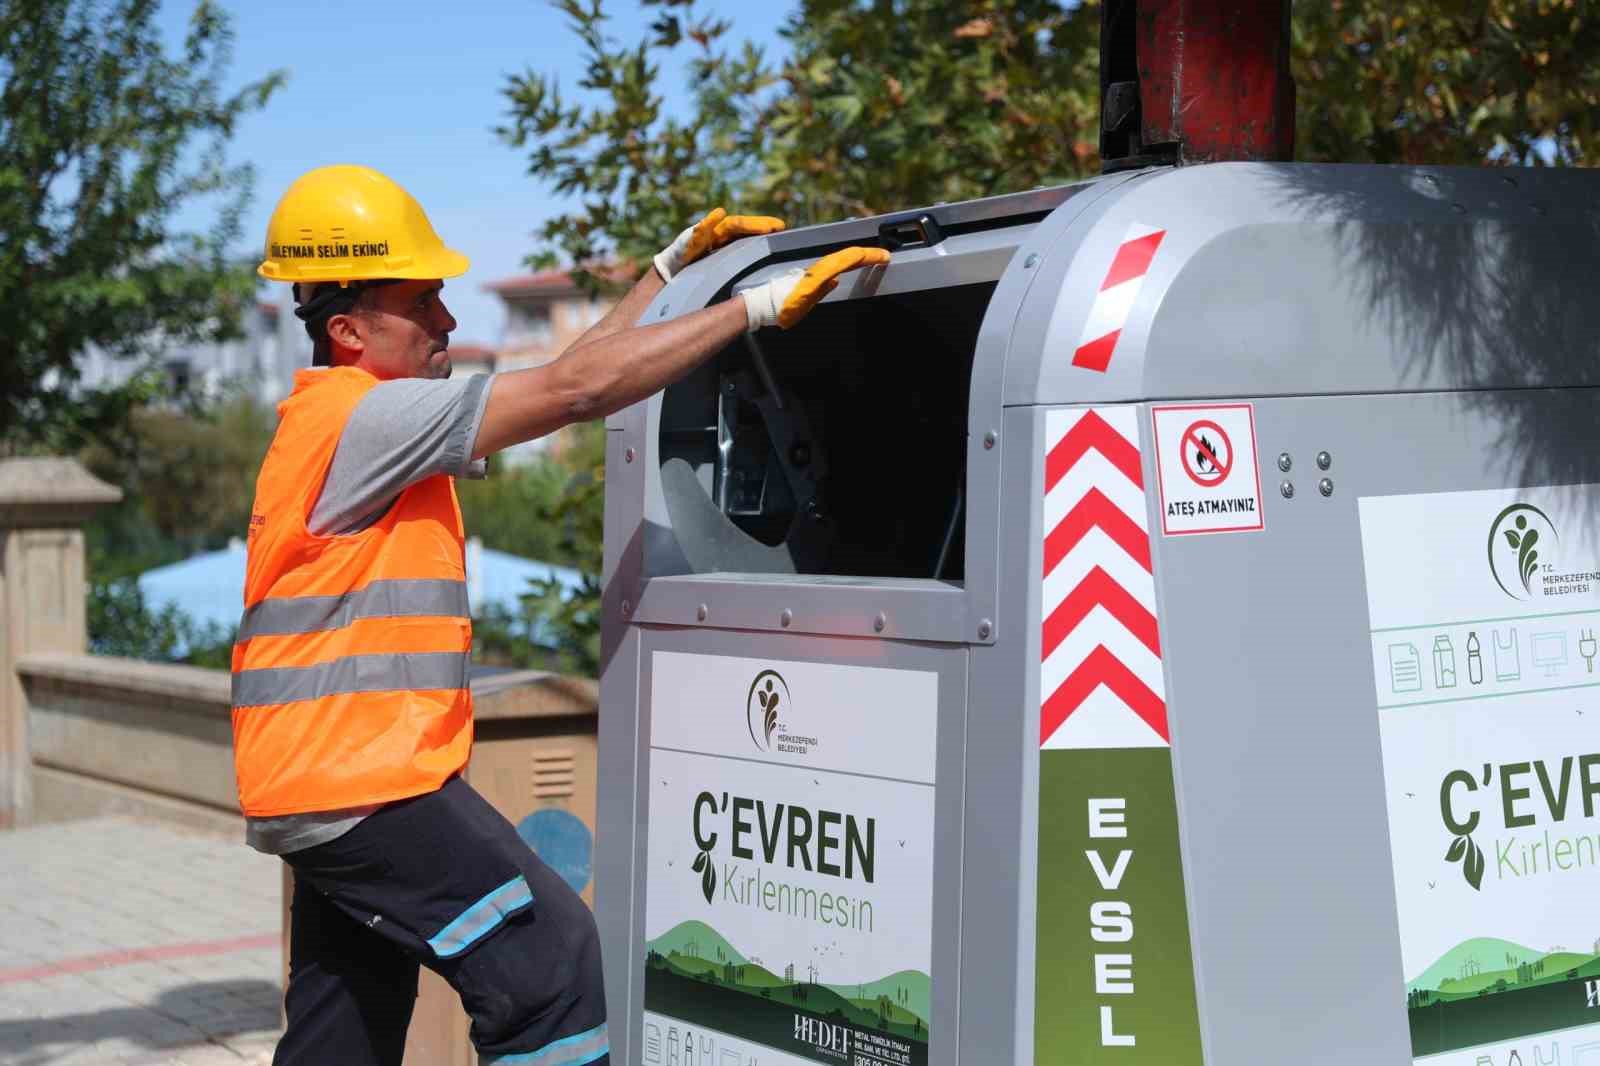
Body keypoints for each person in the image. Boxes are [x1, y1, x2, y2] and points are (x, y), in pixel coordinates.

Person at [234, 164, 889, 1066]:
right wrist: (753, 311)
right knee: (555, 972)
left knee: (341, 1031)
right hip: (366, 788)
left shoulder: (334, 422)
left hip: (320, 784)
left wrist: (662, 276)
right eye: (422, 301)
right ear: (347, 330)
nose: (448, 321)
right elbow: (573, 393)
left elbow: (565, 380)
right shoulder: (368, 419)